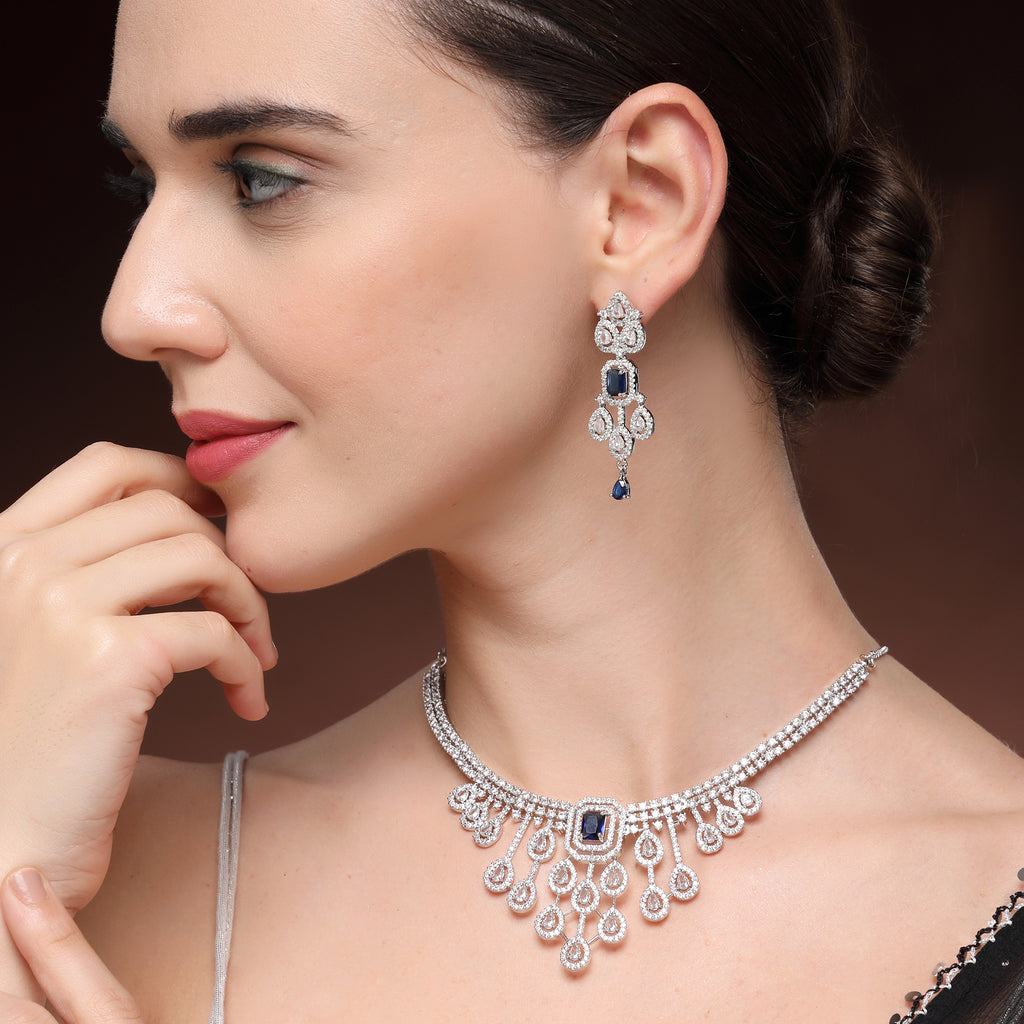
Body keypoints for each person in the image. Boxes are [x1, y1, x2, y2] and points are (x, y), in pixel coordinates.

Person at [1, 0, 1021, 1020]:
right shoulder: (61, 872)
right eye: (139, 186)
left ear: (639, 203)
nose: (134, 310)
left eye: (259, 178)